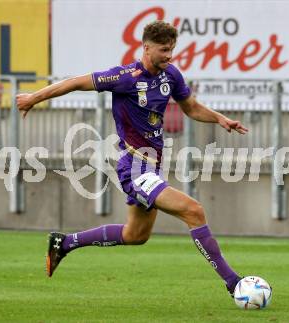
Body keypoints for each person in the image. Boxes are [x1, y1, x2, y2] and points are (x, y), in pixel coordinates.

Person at [16, 20, 248, 299]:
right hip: (135, 168)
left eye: (172, 49)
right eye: (164, 50)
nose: (169, 55)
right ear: (146, 48)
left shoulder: (170, 75)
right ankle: (234, 283)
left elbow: (191, 107)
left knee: (135, 235)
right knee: (194, 211)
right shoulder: (125, 76)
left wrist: (220, 119)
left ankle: (64, 243)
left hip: (153, 167)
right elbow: (76, 82)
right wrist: (33, 97)